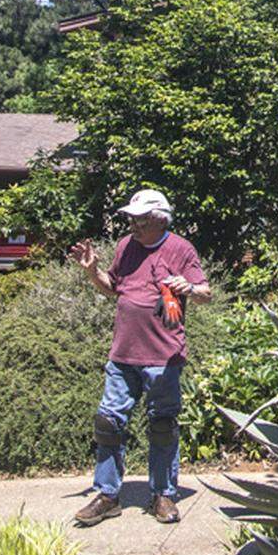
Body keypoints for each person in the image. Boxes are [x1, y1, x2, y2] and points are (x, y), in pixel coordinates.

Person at [69, 189, 210, 527]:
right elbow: (113, 287)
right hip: (123, 354)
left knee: (162, 426)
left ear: (160, 218)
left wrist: (188, 288)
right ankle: (107, 495)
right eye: (130, 218)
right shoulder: (125, 246)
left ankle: (163, 495)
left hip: (163, 356)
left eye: (140, 219)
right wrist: (92, 272)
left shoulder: (180, 249)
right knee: (108, 423)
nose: (133, 224)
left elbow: (206, 292)